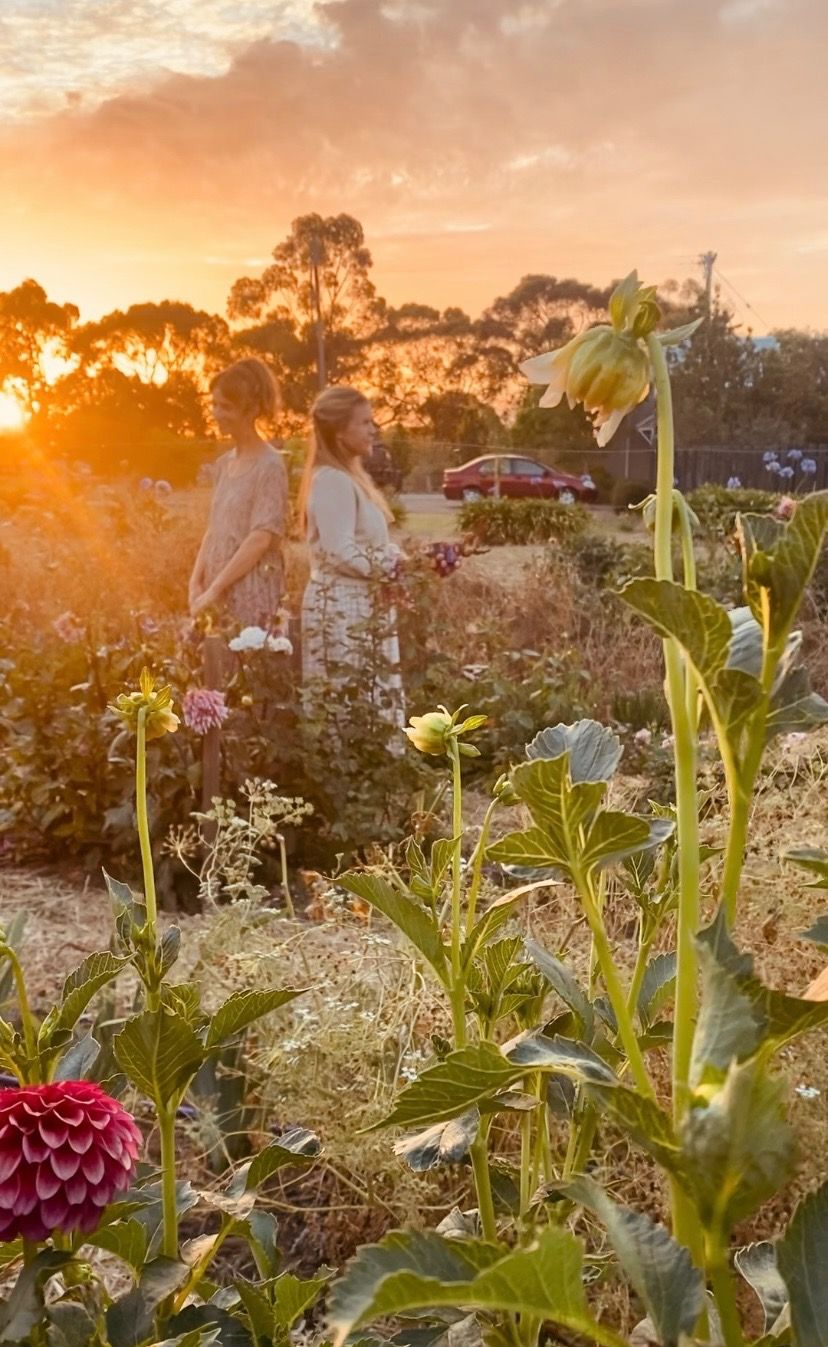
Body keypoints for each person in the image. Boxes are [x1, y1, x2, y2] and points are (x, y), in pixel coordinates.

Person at [299, 386, 405, 733]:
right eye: (364, 422)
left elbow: (365, 542)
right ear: (339, 431)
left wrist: (404, 559)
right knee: (348, 701)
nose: (373, 429)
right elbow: (339, 548)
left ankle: (379, 777)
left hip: (363, 605)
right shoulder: (331, 480)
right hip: (342, 609)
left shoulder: (350, 477)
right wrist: (390, 569)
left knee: (371, 695)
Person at [189, 358, 288, 627]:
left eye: (227, 407)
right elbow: (214, 528)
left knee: (245, 662)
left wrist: (215, 588)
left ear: (252, 410)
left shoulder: (269, 466)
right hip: (215, 587)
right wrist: (196, 581)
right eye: (215, 405)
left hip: (249, 586)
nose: (217, 413)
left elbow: (260, 538)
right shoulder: (224, 464)